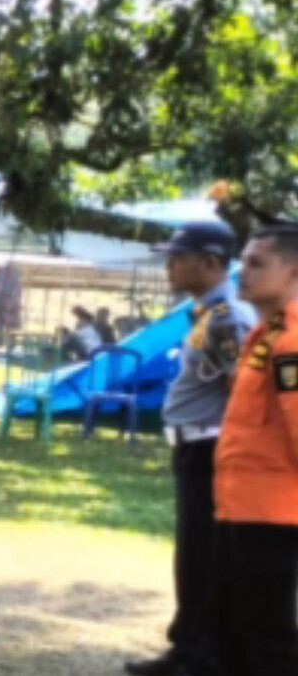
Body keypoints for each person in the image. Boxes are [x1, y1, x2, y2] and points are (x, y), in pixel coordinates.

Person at [125, 220, 253, 676]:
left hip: (210, 448)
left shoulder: (226, 319)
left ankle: (200, 653)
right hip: (194, 446)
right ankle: (188, 647)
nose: (170, 265)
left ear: (212, 263)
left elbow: (245, 389)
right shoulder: (204, 313)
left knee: (204, 553)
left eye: (179, 257)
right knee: (193, 552)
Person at [210, 224, 298, 676]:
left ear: (293, 271)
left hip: (273, 514)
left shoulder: (291, 340)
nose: (242, 271)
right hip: (242, 506)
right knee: (237, 634)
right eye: (243, 260)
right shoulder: (266, 333)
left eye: (257, 263)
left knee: (266, 642)